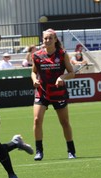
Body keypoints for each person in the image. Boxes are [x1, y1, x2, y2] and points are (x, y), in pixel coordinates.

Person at [31, 28, 76, 161]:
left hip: (58, 92)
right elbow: (33, 72)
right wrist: (34, 80)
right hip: (42, 92)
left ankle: (71, 150)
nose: (47, 40)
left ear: (55, 40)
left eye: (50, 38)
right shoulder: (37, 55)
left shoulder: (62, 54)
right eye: (45, 38)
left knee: (64, 122)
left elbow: (71, 73)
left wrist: (62, 77)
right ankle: (39, 151)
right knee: (37, 120)